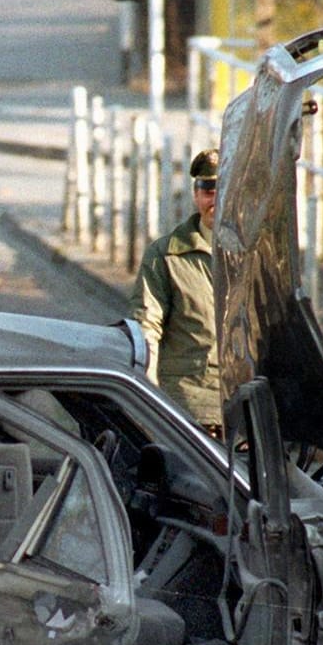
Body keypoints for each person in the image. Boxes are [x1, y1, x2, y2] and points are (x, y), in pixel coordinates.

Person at [132, 149, 221, 436]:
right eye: (208, 190)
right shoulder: (166, 255)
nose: (216, 199)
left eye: (225, 188)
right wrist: (150, 399)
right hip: (189, 411)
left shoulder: (257, 255)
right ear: (196, 195)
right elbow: (147, 327)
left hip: (247, 415)